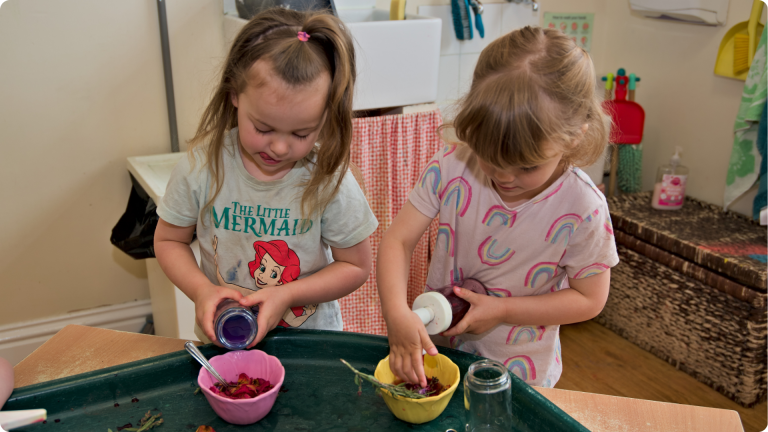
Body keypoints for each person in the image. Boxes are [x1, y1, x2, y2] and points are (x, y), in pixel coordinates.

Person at [377, 26, 618, 388]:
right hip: (444, 356)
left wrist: (504, 311)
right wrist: (396, 311)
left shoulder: (583, 208)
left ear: (574, 136)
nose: (504, 177)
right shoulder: (452, 165)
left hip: (521, 377)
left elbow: (589, 299)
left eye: (526, 166)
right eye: (489, 156)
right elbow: (397, 241)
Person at [154, 8, 377, 348]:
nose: (279, 146)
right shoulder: (201, 168)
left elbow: (356, 266)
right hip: (226, 337)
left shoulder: (328, 179)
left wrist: (289, 294)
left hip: (311, 345)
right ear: (234, 95)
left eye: (301, 134)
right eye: (263, 128)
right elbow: (169, 241)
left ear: (325, 119)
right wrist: (201, 291)